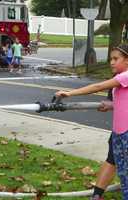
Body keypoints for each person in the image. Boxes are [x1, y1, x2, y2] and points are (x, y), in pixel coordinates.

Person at [55, 44, 128, 200]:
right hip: (118, 133)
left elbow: (98, 86)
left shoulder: (125, 76)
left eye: (116, 59)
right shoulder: (120, 81)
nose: (112, 62)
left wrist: (70, 93)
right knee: (122, 172)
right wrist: (112, 105)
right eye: (110, 59)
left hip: (126, 134)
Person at [91, 89, 116, 200]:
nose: (112, 69)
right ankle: (97, 195)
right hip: (122, 129)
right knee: (112, 159)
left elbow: (99, 86)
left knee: (112, 159)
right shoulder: (119, 76)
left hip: (122, 129)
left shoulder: (120, 76)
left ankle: (97, 195)